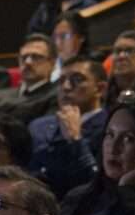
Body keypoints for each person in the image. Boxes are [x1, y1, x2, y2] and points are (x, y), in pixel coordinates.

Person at [29, 54, 109, 197]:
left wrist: (76, 140)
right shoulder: (38, 125)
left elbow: (97, 184)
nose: (66, 87)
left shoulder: (110, 127)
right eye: (61, 80)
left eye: (77, 79)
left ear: (100, 89)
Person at [0, 34, 58, 126]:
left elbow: (41, 133)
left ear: (52, 64)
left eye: (36, 57)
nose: (28, 62)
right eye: (24, 57)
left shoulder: (56, 96)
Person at [49, 11, 90, 82]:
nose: (57, 43)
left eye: (63, 36)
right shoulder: (48, 68)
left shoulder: (92, 67)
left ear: (81, 37)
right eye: (55, 37)